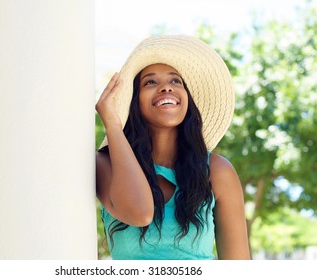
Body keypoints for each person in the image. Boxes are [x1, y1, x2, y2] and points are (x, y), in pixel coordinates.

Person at [95, 35, 250, 260]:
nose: (167, 87)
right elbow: (140, 213)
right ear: (133, 100)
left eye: (176, 81)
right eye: (150, 82)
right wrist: (113, 125)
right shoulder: (104, 163)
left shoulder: (217, 171)